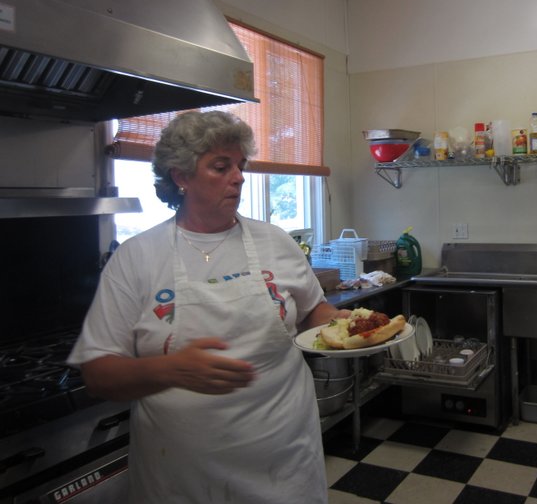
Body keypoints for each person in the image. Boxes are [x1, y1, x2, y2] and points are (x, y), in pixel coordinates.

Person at [68, 110, 346, 503]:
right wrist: (169, 369)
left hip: (283, 455)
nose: (239, 177)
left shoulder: (275, 242)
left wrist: (344, 326)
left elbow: (314, 312)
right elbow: (97, 373)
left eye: (240, 165)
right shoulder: (137, 258)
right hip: (183, 468)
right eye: (221, 166)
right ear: (181, 177)